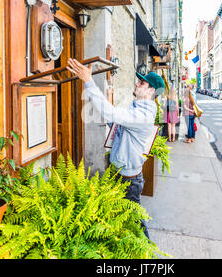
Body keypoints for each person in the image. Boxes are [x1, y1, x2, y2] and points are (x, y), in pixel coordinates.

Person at [66, 58, 165, 240]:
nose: (137, 83)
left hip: (129, 180)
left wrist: (88, 81)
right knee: (122, 219)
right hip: (122, 174)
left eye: (141, 82)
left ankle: (146, 253)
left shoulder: (143, 114)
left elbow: (111, 114)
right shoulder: (137, 108)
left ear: (151, 91)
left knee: (135, 222)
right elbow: (115, 120)